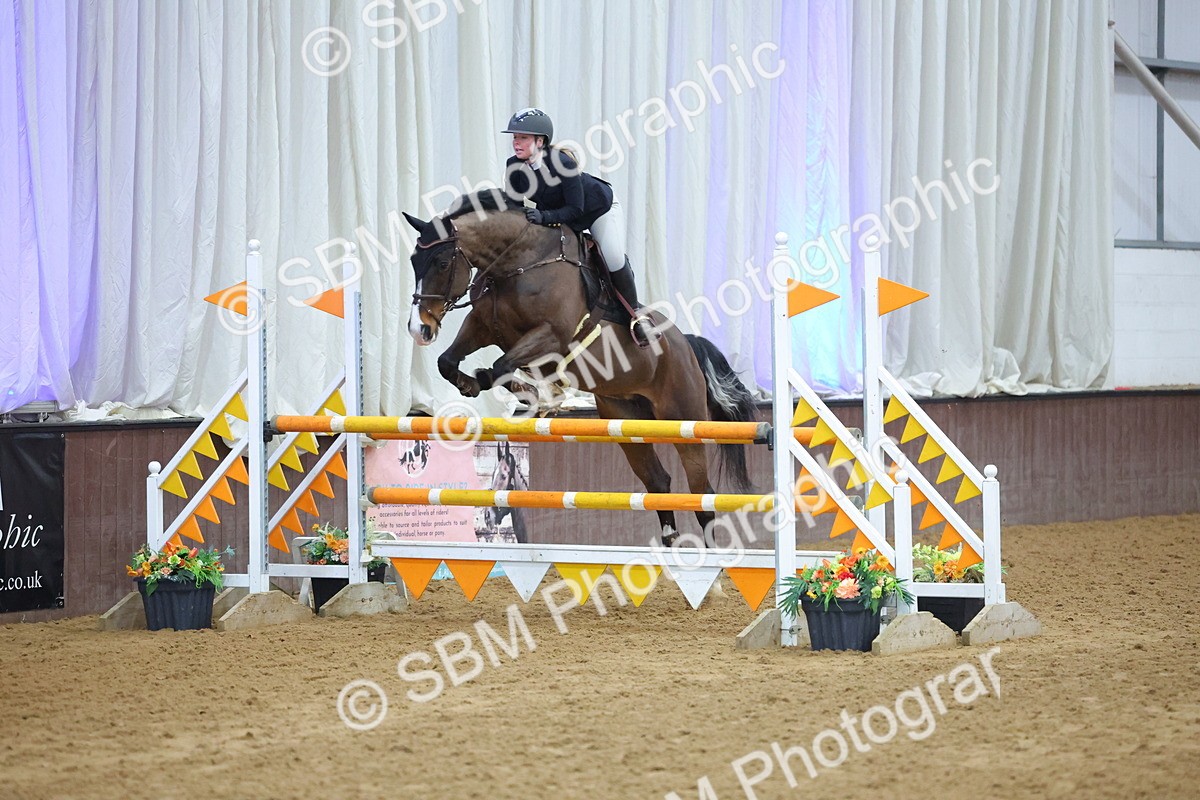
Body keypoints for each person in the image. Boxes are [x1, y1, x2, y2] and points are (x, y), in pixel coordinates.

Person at [501, 108, 654, 342]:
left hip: (597, 209)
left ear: (540, 141)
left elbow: (576, 209)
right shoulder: (514, 166)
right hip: (557, 213)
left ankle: (636, 316)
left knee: (612, 257)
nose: (516, 142)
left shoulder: (562, 163)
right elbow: (514, 207)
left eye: (523, 137)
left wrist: (543, 217)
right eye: (515, 137)